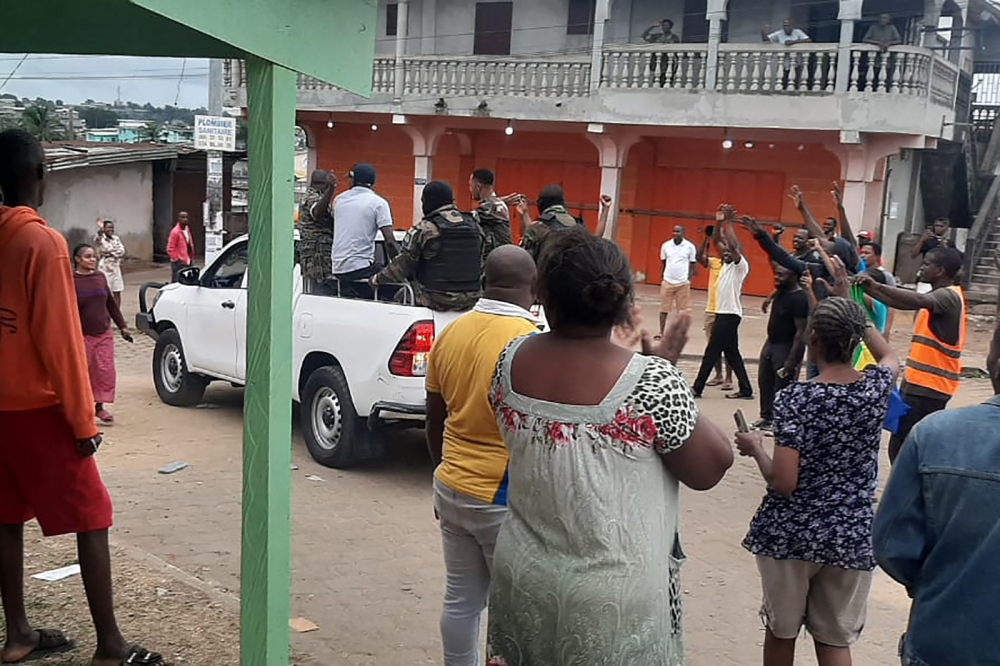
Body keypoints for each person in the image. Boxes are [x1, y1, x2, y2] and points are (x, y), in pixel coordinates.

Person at [486, 227, 733, 665]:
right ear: (623, 303)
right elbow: (712, 466)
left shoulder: (510, 360)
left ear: (541, 293)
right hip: (611, 601)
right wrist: (668, 377)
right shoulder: (649, 382)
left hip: (522, 577)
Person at [0, 129, 162, 666]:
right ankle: (111, 646)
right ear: (37, 175)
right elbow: (61, 342)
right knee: (93, 515)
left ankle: (18, 632)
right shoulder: (40, 242)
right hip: (39, 409)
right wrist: (83, 419)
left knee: (5, 516)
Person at [737, 293, 898, 666]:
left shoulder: (796, 399)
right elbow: (890, 357)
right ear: (857, 341)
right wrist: (859, 320)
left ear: (813, 339)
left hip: (791, 535)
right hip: (849, 536)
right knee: (833, 639)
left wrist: (756, 448)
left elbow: (784, 482)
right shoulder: (874, 389)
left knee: (782, 632)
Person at [425, 245, 540, 666]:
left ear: (484, 281)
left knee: (461, 600)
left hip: (452, 486)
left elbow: (434, 419)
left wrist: (440, 472)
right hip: (502, 498)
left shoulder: (450, 333)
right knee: (513, 611)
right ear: (534, 286)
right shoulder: (529, 342)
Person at [873, 299, 1000, 666]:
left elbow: (890, 545)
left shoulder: (934, 437)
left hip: (945, 639)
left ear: (994, 360)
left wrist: (944, 580)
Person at [856, 246, 965, 463]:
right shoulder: (944, 296)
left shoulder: (947, 297)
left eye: (927, 264)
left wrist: (876, 287)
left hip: (928, 389)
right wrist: (873, 289)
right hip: (922, 386)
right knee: (906, 445)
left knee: (905, 448)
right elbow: (903, 301)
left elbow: (914, 300)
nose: (921, 267)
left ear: (940, 270)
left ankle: (906, 493)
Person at [371, 181, 482, 311]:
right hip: (473, 299)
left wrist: (377, 280)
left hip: (439, 298)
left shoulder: (425, 228)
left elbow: (402, 265)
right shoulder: (474, 225)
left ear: (429, 201)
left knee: (401, 296)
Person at [690, 205, 754, 400]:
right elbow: (718, 239)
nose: (725, 251)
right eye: (723, 251)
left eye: (729, 250)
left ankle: (697, 387)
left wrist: (729, 223)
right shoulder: (724, 266)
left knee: (711, 352)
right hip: (723, 313)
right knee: (732, 354)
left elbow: (733, 246)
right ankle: (746, 389)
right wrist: (718, 222)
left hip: (729, 315)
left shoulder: (739, 266)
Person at [72, 243, 132, 425]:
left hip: (103, 333)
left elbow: (111, 304)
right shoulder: (70, 281)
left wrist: (123, 326)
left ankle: (99, 407)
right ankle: (82, 409)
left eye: (94, 257)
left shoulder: (100, 277)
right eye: (88, 256)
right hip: (81, 335)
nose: (93, 260)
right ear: (77, 259)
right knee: (83, 372)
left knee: (104, 371)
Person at [754, 264, 809, 433]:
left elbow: (801, 331)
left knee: (783, 387)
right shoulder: (781, 291)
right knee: (765, 380)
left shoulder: (800, 299)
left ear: (793, 277)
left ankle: (781, 422)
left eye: (781, 276)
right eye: (776, 275)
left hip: (786, 346)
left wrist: (792, 360)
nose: (776, 278)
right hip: (771, 342)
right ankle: (766, 416)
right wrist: (769, 298)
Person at [332, 162, 400, 297]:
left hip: (337, 268)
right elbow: (390, 242)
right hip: (360, 268)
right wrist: (400, 267)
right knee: (397, 286)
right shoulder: (378, 203)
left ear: (353, 180)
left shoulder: (338, 200)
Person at [696, 227, 733, 390]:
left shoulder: (734, 265)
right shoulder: (714, 262)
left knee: (729, 346)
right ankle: (718, 375)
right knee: (712, 346)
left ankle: (729, 378)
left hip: (727, 311)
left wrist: (723, 235)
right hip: (712, 310)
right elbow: (699, 258)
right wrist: (707, 239)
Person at [518, 184, 584, 263]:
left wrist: (524, 214)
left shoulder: (537, 228)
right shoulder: (580, 226)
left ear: (541, 204)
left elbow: (525, 260)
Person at [298, 169, 338, 289]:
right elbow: (317, 213)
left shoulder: (317, 196)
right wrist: (331, 190)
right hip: (317, 251)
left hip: (318, 250)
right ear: (324, 184)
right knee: (320, 288)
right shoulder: (311, 197)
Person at [658, 225, 697, 337]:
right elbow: (664, 262)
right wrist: (664, 276)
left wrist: (688, 279)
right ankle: (661, 332)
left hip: (682, 283)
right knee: (664, 309)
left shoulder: (689, 247)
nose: (676, 233)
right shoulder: (666, 246)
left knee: (683, 310)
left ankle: (680, 332)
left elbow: (693, 264)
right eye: (674, 231)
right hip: (668, 281)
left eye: (678, 231)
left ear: (683, 233)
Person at [469, 169, 512, 263]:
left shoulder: (492, 206)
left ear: (478, 186)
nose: (470, 189)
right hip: (497, 259)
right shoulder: (494, 204)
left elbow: (466, 219)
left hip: (499, 262)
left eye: (470, 185)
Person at [762, 18, 812, 89]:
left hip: (796, 64)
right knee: (782, 84)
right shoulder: (779, 33)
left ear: (792, 26)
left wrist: (793, 42)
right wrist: (763, 31)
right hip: (783, 64)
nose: (786, 28)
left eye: (788, 25)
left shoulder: (797, 32)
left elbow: (808, 40)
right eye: (785, 25)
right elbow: (766, 40)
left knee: (794, 84)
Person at [911, 217, 951, 294]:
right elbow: (913, 254)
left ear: (946, 228)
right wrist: (922, 240)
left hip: (941, 277)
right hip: (926, 274)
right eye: (936, 226)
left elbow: (951, 258)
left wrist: (944, 245)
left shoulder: (949, 243)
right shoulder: (928, 241)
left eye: (941, 226)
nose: (938, 228)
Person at [93, 218, 126, 308]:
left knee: (117, 291)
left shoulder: (116, 238)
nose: (111, 229)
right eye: (108, 227)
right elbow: (98, 240)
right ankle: (106, 313)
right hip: (104, 268)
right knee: (105, 291)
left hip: (115, 268)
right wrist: (113, 252)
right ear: (103, 229)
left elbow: (122, 251)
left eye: (112, 227)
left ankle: (117, 314)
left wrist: (108, 253)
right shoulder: (100, 239)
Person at [642, 19, 680, 86]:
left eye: (667, 25)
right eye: (663, 25)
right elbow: (644, 36)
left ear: (670, 27)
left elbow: (677, 51)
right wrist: (652, 26)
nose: (665, 27)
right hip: (658, 62)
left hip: (668, 62)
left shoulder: (674, 38)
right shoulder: (657, 36)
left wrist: (677, 65)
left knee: (667, 81)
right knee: (657, 81)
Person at [166, 210, 194, 282]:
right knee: (178, 281)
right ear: (178, 219)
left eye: (186, 217)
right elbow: (170, 248)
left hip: (187, 260)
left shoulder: (187, 229)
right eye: (182, 217)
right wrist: (177, 260)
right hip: (179, 262)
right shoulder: (175, 232)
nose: (185, 219)